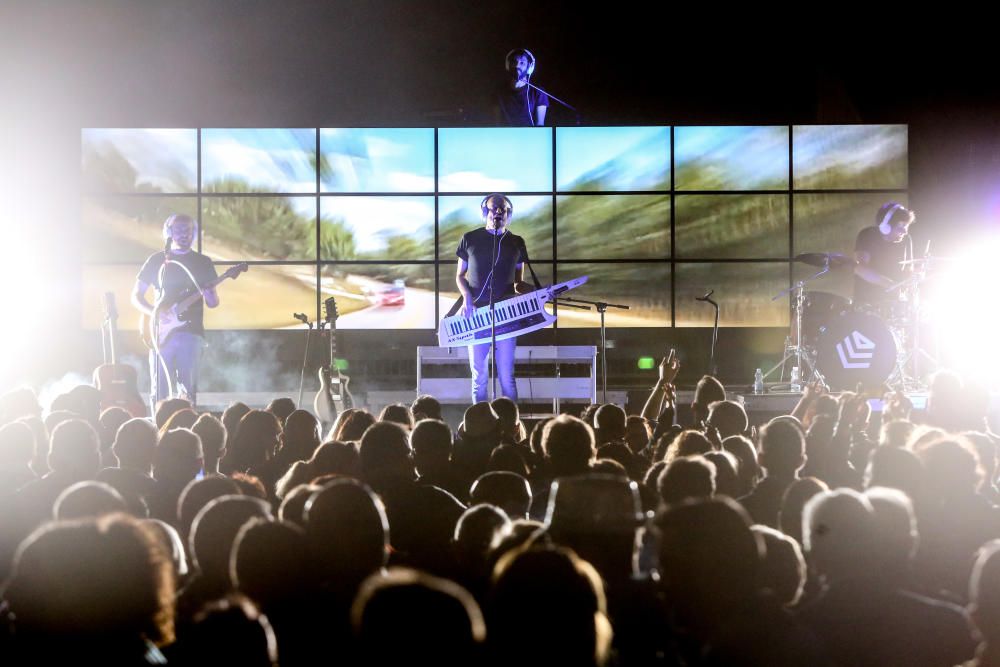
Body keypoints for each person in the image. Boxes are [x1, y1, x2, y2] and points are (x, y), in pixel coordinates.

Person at [132, 214, 219, 406]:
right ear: (168, 233)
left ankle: (187, 430)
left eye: (188, 230)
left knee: (188, 389)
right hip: (160, 333)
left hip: (191, 332)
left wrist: (210, 291)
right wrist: (153, 312)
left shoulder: (203, 262)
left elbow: (212, 303)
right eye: (178, 230)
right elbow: (136, 296)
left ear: (194, 233)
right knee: (159, 387)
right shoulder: (157, 260)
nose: (184, 234)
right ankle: (159, 429)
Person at [455, 194, 532, 403]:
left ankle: (512, 428)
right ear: (484, 212)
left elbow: (518, 282)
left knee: (507, 377)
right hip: (477, 315)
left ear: (509, 214)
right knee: (478, 378)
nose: (499, 212)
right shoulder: (469, 238)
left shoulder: (517, 242)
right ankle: (479, 427)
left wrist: (530, 290)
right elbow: (460, 276)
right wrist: (467, 299)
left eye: (503, 209)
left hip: (507, 316)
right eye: (494, 208)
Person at [853, 201, 915, 308]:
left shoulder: (906, 240)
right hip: (868, 303)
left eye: (906, 226)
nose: (905, 232)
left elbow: (909, 270)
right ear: (886, 226)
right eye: (901, 226)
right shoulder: (868, 235)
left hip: (895, 306)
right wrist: (891, 285)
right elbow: (860, 269)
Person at [497, 48, 549, 127]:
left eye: (522, 63)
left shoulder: (538, 92)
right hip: (505, 137)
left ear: (529, 67)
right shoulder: (498, 91)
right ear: (508, 65)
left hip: (530, 137)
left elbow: (540, 125)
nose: (517, 66)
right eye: (514, 62)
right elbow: (496, 124)